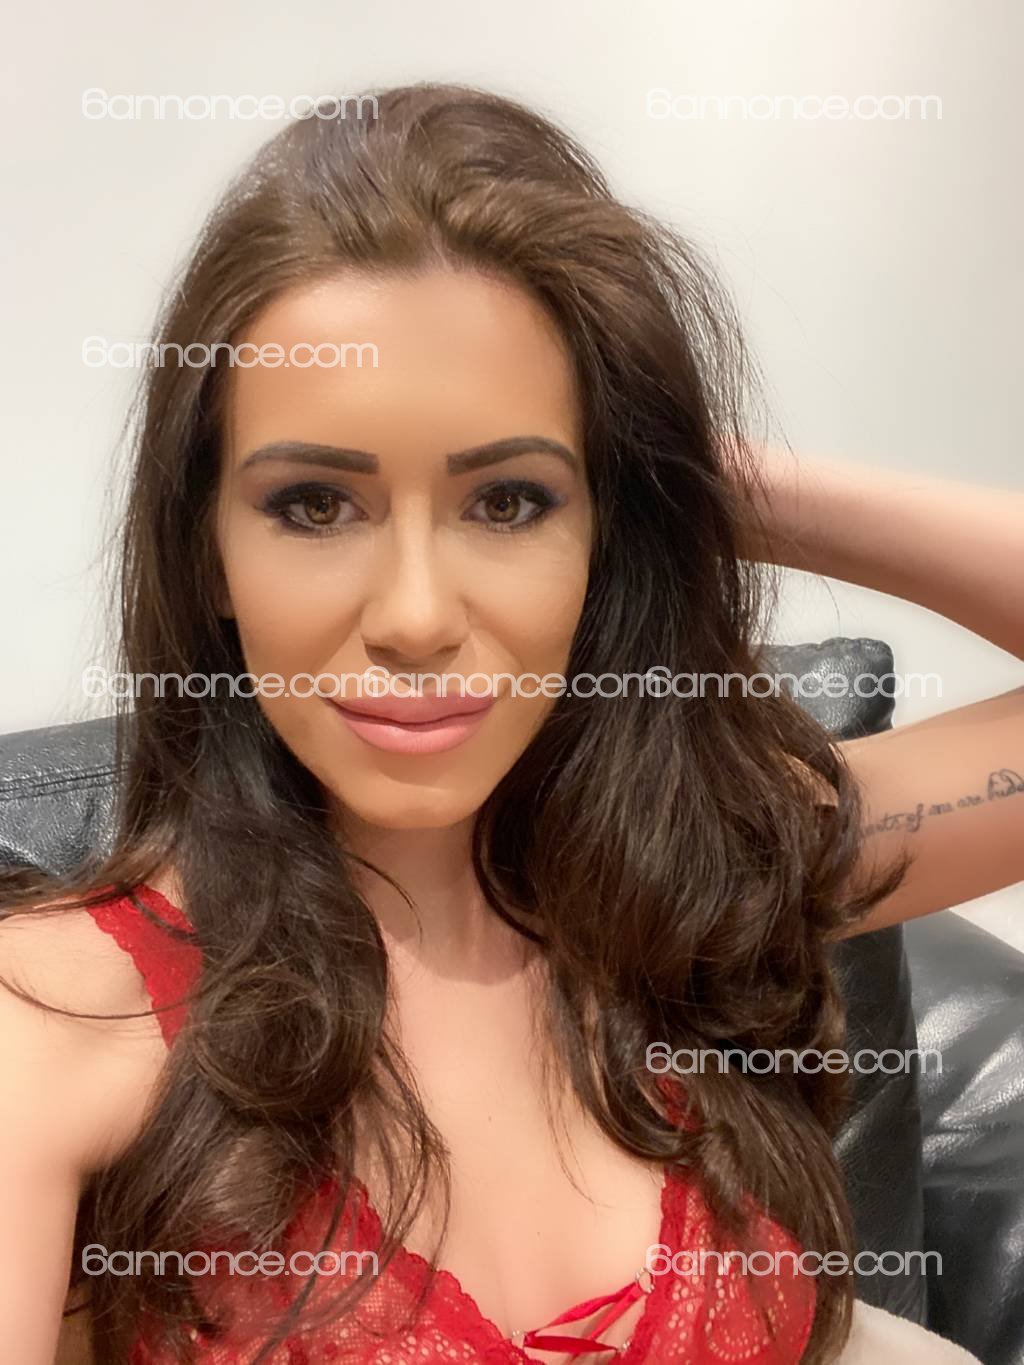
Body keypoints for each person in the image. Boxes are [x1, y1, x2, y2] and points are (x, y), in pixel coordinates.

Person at [0, 82, 1019, 1365]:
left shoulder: (708, 879)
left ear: (603, 534)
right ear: (207, 551)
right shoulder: (54, 1023)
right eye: (314, 504)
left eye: (509, 501)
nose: (416, 616)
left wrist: (684, 477)